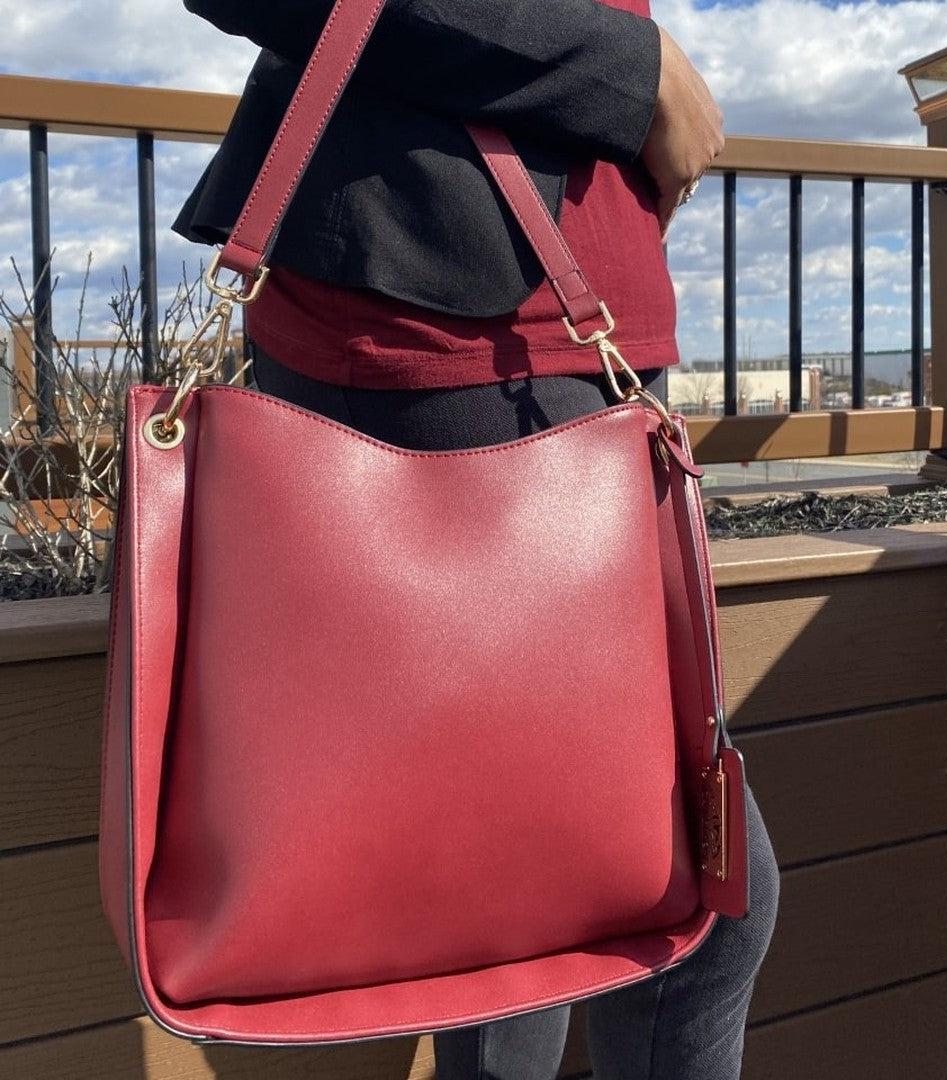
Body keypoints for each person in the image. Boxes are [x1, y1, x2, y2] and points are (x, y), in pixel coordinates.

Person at [171, 2, 780, 1077]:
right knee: (637, 905)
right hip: (445, 320)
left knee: (558, 912)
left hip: (571, 336)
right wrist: (632, 68)